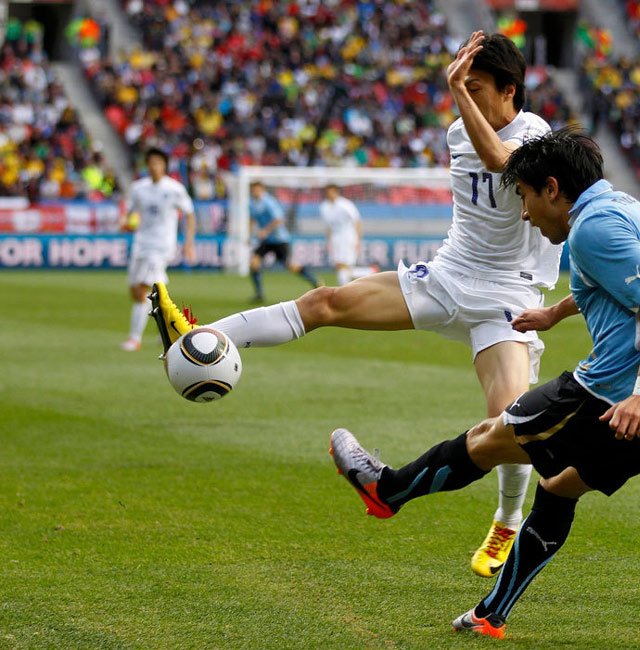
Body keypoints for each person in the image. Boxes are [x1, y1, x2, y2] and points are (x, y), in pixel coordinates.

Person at [150, 32, 562, 577]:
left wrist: (455, 88)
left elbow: (498, 157)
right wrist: (464, 94)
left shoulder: (535, 133)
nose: (466, 94)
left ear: (509, 90)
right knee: (326, 302)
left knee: (507, 422)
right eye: (465, 84)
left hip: (506, 296)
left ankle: (506, 521)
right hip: (447, 275)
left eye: (477, 86)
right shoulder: (458, 130)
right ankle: (198, 336)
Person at [330, 128, 640, 638]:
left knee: (490, 437)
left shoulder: (592, 228)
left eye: (525, 196)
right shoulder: (624, 207)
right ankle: (490, 616)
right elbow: (624, 279)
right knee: (557, 488)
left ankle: (386, 490)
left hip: (615, 396)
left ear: (552, 188)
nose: (524, 213)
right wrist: (554, 313)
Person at [120, 147, 195, 351]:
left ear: (164, 166)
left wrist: (189, 244)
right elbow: (130, 212)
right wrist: (125, 221)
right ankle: (172, 330)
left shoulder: (174, 189)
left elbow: (190, 213)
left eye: (158, 163)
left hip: (161, 246)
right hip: (141, 244)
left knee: (144, 290)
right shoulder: (138, 188)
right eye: (151, 163)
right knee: (138, 292)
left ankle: (134, 338)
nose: (154, 167)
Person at [249, 181, 321, 302]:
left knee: (291, 266)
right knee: (254, 263)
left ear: (262, 190)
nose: (255, 192)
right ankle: (259, 294)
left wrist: (265, 231)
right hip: (266, 241)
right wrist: (250, 234)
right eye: (253, 189)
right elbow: (252, 219)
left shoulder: (269, 202)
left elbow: (279, 220)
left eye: (257, 189)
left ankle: (315, 281)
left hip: (279, 239)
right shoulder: (251, 203)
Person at [319, 184, 377, 286]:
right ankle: (368, 272)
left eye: (332, 192)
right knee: (339, 266)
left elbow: (357, 221)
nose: (330, 194)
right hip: (335, 239)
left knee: (344, 265)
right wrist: (328, 242)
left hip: (348, 237)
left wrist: (358, 240)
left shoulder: (345, 204)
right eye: (328, 192)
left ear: (337, 192)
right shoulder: (324, 207)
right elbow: (328, 226)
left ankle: (344, 287)